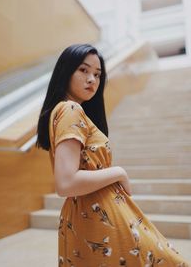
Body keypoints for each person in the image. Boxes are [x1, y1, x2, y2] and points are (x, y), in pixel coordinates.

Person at [36, 44, 190, 267]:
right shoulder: (70, 110)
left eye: (97, 75)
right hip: (98, 217)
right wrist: (118, 172)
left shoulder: (68, 111)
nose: (92, 79)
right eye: (83, 70)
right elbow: (66, 182)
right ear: (65, 71)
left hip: (91, 215)